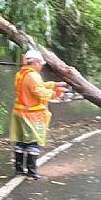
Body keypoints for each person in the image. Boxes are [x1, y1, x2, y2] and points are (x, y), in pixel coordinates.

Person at [11, 49, 68, 179]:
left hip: (19, 113)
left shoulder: (21, 74)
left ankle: (19, 169)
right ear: (35, 62)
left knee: (21, 141)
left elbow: (38, 86)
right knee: (33, 142)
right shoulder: (33, 75)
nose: (41, 66)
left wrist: (54, 84)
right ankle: (32, 171)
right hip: (33, 115)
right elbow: (39, 92)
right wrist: (56, 93)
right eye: (40, 63)